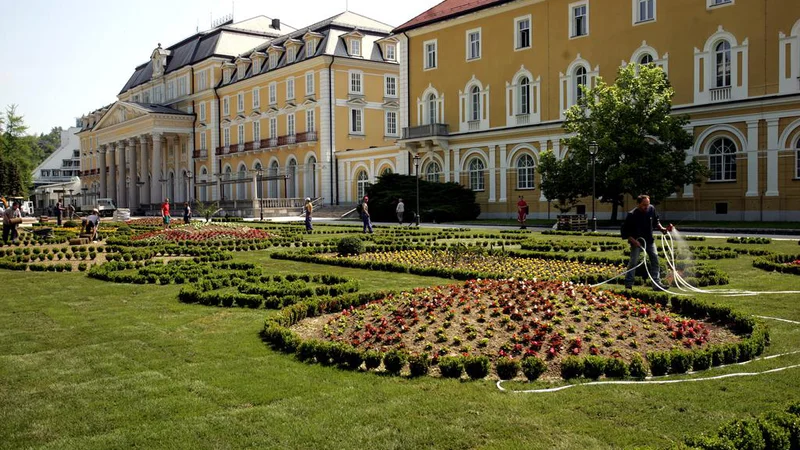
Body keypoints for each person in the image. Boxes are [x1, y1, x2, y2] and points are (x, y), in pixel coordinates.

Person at [621, 194, 670, 290]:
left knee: (655, 260)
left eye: (647, 204)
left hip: (649, 241)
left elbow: (656, 222)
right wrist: (634, 242)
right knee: (633, 262)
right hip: (637, 242)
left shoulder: (651, 209)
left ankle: (656, 284)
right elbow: (625, 232)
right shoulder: (632, 215)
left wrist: (663, 229)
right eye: (644, 205)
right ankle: (628, 284)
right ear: (638, 204)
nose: (646, 207)